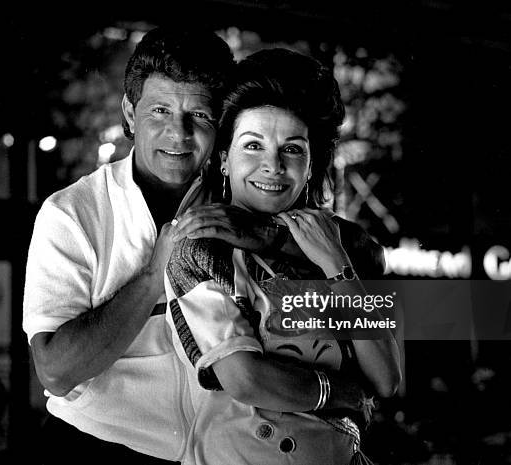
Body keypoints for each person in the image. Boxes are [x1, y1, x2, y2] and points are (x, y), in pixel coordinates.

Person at [165, 48, 401, 465]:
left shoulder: (343, 246)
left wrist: (336, 264)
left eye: (292, 149)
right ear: (224, 159)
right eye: (253, 145)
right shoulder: (201, 248)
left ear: (310, 165)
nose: (272, 166)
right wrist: (340, 391)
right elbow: (246, 379)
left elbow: (387, 377)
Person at [22, 27, 236, 464]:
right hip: (94, 447)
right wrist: (156, 275)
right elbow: (56, 371)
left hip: (222, 450)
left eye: (199, 115)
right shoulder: (72, 214)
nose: (178, 134)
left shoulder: (241, 210)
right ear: (129, 113)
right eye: (159, 110)